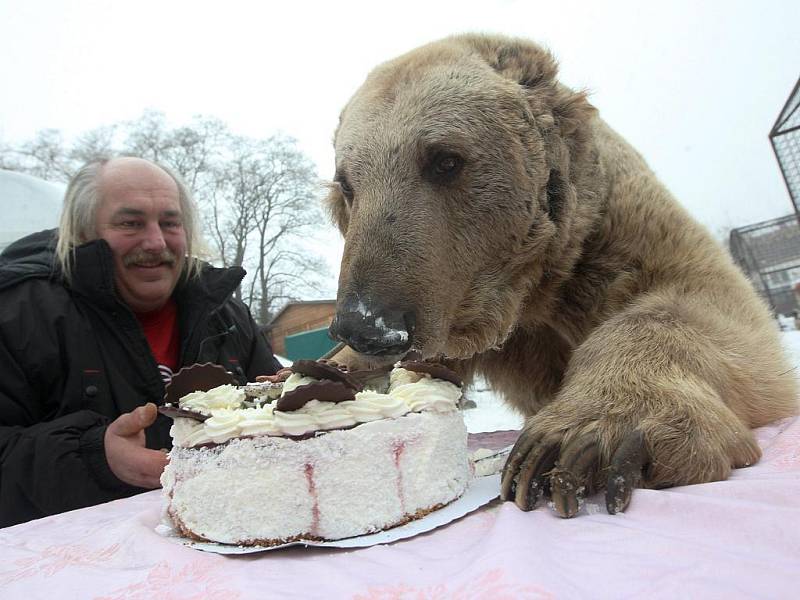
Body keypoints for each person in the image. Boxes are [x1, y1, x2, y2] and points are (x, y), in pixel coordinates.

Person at [0, 157, 282, 527]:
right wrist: (94, 458)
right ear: (84, 233)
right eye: (130, 223)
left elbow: (279, 416)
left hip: (226, 543)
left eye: (170, 223)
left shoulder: (227, 317)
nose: (155, 242)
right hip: (78, 565)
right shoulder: (19, 313)